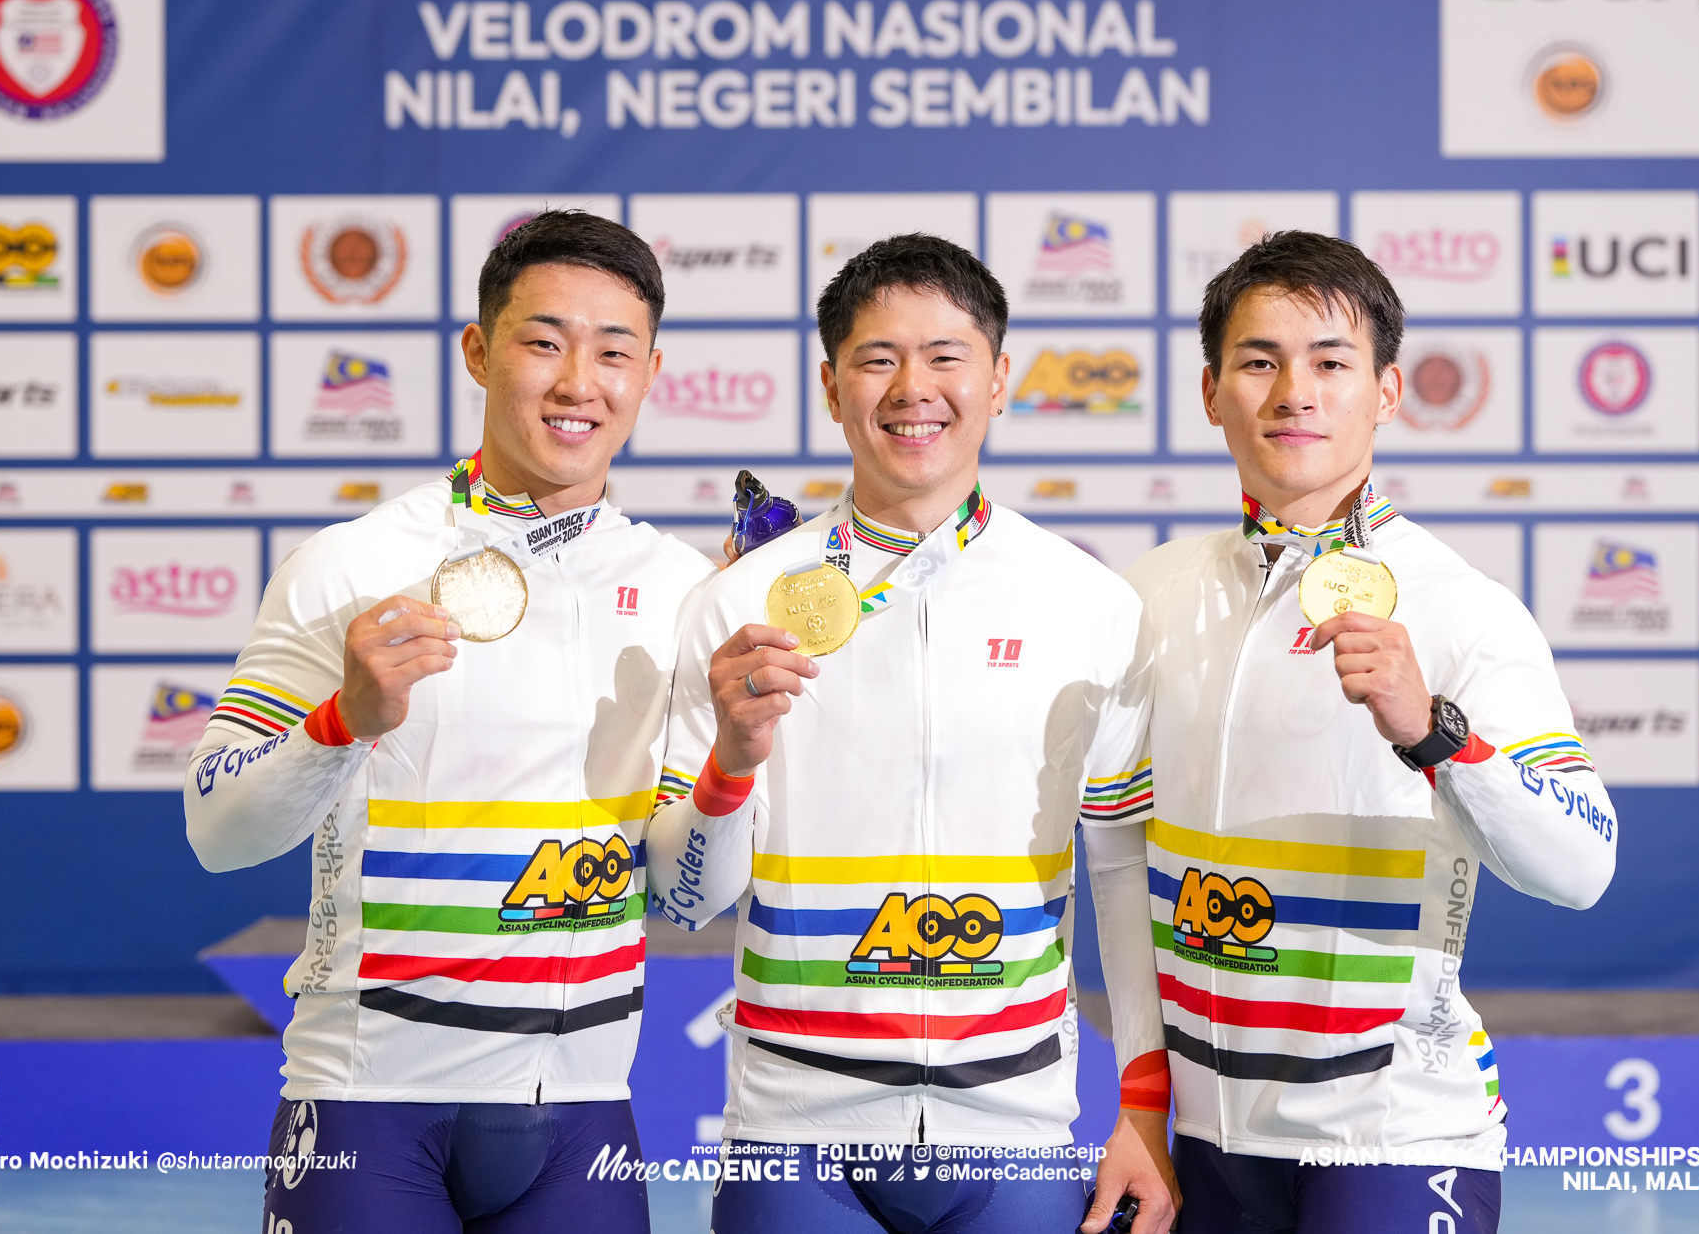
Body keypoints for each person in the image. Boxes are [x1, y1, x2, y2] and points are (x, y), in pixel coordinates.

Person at [183, 211, 711, 1231]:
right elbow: (216, 828)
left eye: (613, 351)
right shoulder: (350, 564)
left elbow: (695, 887)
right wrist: (341, 719)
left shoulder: (687, 590)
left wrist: (738, 758)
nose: (577, 382)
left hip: (584, 1114)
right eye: (543, 341)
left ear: (650, 372)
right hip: (367, 1103)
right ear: (477, 349)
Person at [646, 234, 1180, 1234]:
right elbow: (684, 898)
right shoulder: (740, 604)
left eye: (945, 356)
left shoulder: (1087, 602)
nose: (912, 388)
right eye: (877, 358)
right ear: (830, 383)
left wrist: (1144, 1103)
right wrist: (730, 762)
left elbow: (1119, 876)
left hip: (1013, 1128)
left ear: (999, 379)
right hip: (792, 1132)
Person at [1123, 231, 1618, 1233]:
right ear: (1211, 389)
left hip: (1394, 1134)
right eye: (1259, 361)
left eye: (1330, 362)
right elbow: (1095, 856)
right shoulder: (1146, 595)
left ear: (1386, 392)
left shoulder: (1462, 609)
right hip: (1209, 1141)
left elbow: (1582, 864)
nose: (1293, 392)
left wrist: (1436, 732)